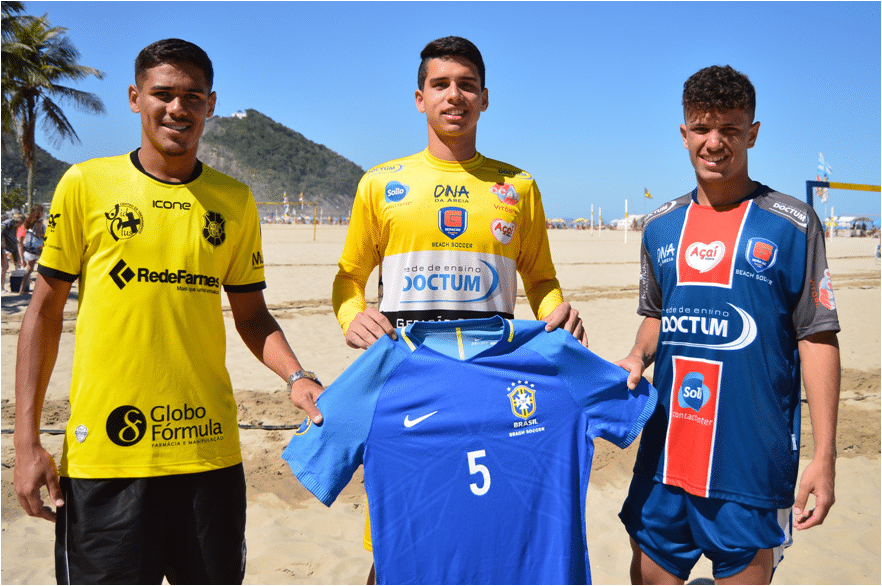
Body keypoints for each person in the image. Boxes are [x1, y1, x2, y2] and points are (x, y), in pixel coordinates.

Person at [14, 38, 322, 584]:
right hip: (107, 458)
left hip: (208, 457)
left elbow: (252, 316)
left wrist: (297, 378)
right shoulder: (87, 185)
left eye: (192, 96)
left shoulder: (235, 200)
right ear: (136, 98)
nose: (177, 108)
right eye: (163, 94)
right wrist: (26, 442)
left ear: (210, 104)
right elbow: (41, 314)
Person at [331, 35, 587, 583]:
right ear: (419, 98)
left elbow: (540, 277)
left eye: (466, 85)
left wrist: (558, 311)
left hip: (490, 391)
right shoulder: (381, 183)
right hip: (407, 386)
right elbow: (349, 277)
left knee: (485, 522)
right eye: (441, 85)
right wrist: (352, 316)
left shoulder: (517, 186)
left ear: (485, 98)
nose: (455, 96)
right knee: (401, 531)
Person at [616, 65, 841, 584]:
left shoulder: (792, 223)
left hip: (749, 464)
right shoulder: (659, 226)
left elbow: (818, 336)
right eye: (702, 128)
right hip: (664, 459)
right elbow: (656, 315)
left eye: (730, 130)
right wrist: (636, 355)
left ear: (753, 133)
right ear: (684, 132)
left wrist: (824, 457)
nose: (714, 143)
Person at [16, 204, 44, 294]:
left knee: (29, 269)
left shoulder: (27, 221)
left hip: (29, 248)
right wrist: (47, 235)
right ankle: (39, 291)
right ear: (40, 212)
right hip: (39, 247)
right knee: (43, 268)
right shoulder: (39, 221)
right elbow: (38, 233)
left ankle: (22, 290)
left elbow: (27, 232)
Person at [2, 213, 24, 292]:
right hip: (2, 246)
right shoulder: (8, 223)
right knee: (4, 267)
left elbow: (13, 238)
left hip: (7, 247)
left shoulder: (14, 226)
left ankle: (8, 283)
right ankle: (2, 287)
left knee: (9, 265)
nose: (21, 225)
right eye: (21, 223)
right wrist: (2, 241)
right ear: (19, 221)